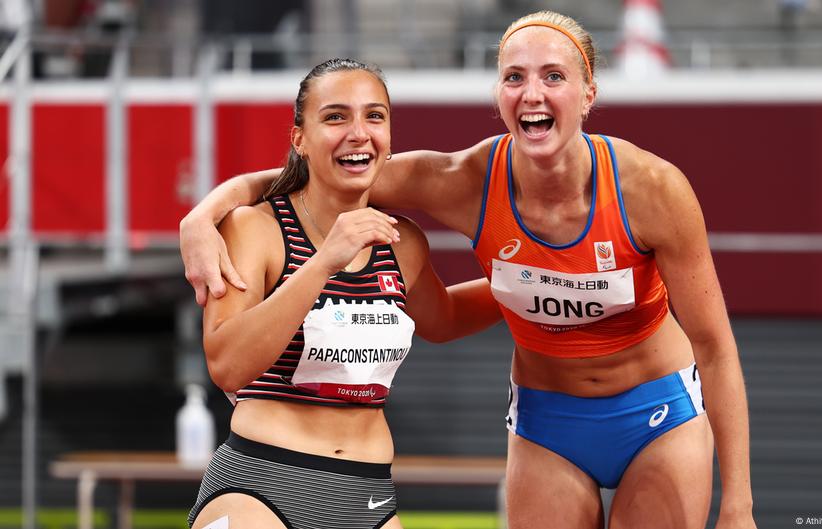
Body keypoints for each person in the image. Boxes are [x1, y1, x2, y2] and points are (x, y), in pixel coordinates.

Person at [180, 12, 756, 529]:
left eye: (554, 76)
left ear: (588, 95)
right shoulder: (461, 180)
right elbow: (313, 178)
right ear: (498, 94)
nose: (532, 92)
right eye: (514, 77)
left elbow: (716, 348)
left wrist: (739, 507)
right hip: (546, 424)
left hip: (653, 415)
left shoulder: (653, 189)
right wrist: (202, 216)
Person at [186, 58, 501, 529]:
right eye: (336, 117)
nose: (358, 132)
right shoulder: (254, 228)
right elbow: (227, 364)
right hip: (263, 484)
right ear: (300, 139)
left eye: (374, 116)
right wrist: (324, 261)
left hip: (367, 491)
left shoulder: (403, 242)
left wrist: (533, 279)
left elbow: (446, 318)